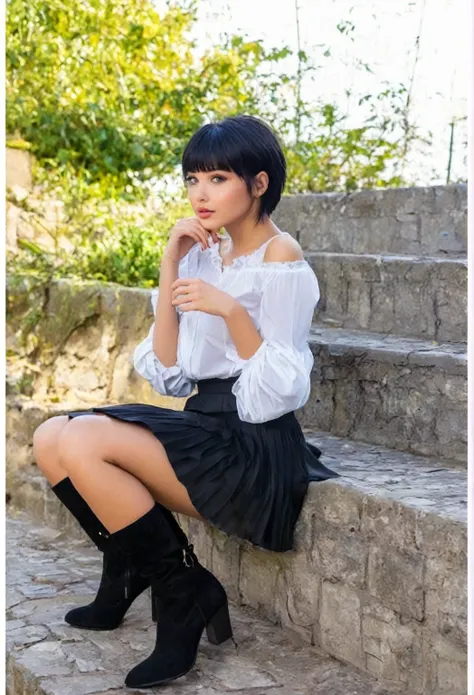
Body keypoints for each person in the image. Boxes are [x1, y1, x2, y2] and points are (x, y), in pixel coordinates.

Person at [32, 114, 339, 689]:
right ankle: (129, 568)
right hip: (205, 427)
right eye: (193, 178)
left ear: (259, 183)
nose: (200, 193)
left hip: (256, 445)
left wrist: (231, 310)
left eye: (218, 178)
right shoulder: (200, 254)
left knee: (83, 438)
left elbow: (282, 385)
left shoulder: (280, 255)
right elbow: (169, 372)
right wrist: (170, 263)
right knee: (51, 437)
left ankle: (183, 592)